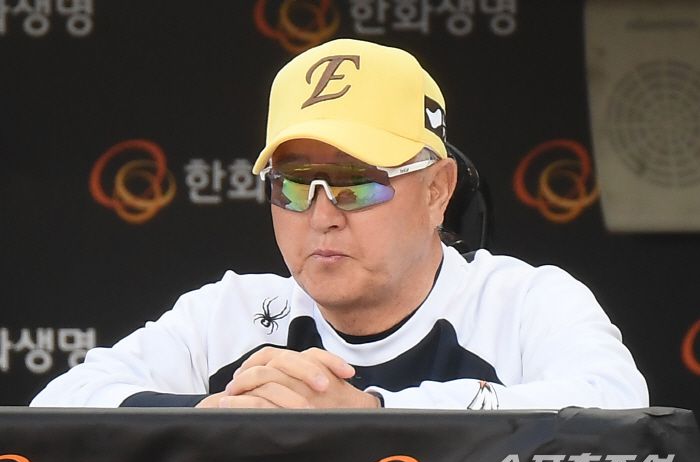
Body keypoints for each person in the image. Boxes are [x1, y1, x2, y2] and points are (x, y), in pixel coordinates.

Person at [31, 38, 648, 410]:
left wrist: (368, 416)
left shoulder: (522, 302)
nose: (322, 217)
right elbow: (57, 407)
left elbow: (618, 409)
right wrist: (210, 415)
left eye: (357, 184)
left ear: (437, 190)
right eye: (294, 186)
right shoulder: (228, 315)